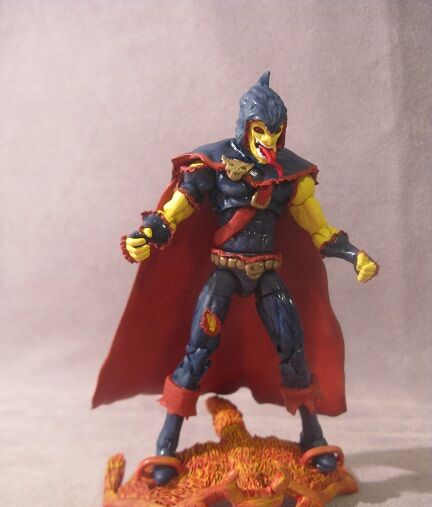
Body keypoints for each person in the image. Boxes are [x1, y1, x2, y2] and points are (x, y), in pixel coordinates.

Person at [93, 72, 378, 485]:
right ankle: (166, 445)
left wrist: (354, 256)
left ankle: (313, 437)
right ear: (245, 127)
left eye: (276, 132)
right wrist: (145, 236)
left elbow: (319, 230)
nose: (269, 141)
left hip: (266, 274)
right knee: (198, 351)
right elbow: (175, 211)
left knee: (293, 347)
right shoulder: (212, 166)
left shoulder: (291, 176)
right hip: (225, 273)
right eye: (261, 130)